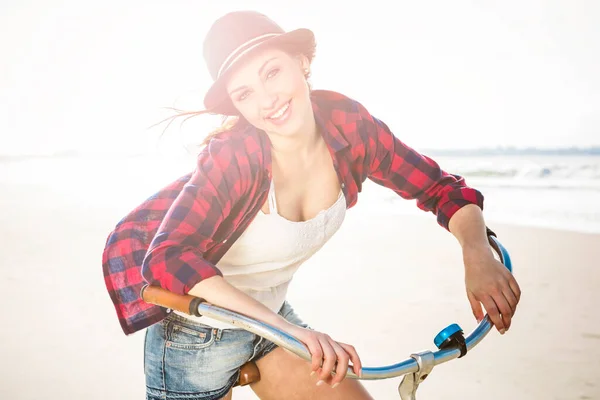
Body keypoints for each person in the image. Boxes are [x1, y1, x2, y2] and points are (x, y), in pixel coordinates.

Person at [102, 10, 521, 400]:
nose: (267, 101)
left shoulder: (349, 126)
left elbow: (439, 188)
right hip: (197, 338)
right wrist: (287, 330)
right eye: (246, 93)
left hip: (270, 318)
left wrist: (476, 251)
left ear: (301, 61)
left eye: (273, 72)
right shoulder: (234, 157)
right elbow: (166, 258)